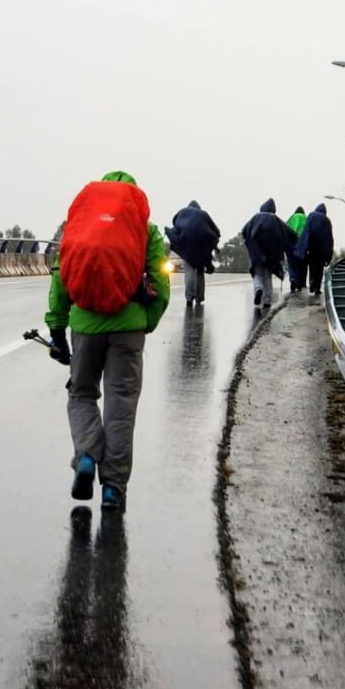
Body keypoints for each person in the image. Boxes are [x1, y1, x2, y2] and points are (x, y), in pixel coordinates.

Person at [46, 171, 170, 513]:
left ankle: (86, 454)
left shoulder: (82, 224)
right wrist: (147, 321)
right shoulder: (146, 229)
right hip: (128, 327)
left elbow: (62, 274)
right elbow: (160, 277)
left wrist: (57, 327)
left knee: (82, 393)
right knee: (121, 404)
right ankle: (113, 489)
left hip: (85, 324)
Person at [165, 200, 221, 307]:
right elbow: (214, 230)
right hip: (200, 248)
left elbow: (174, 222)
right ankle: (199, 298)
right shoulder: (203, 214)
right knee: (199, 272)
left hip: (187, 247)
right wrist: (215, 243)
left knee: (189, 272)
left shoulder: (182, 212)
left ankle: (189, 298)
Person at [240, 199, 292, 309]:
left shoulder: (256, 217)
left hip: (256, 251)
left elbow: (244, 230)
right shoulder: (276, 220)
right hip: (271, 253)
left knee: (257, 274)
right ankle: (267, 300)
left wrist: (248, 241)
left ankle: (258, 288)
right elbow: (289, 232)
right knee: (268, 275)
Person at [296, 202, 335, 297]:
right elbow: (329, 237)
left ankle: (312, 281)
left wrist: (303, 247)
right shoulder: (327, 220)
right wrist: (328, 255)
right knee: (319, 268)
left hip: (312, 247)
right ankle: (317, 287)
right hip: (322, 249)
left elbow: (306, 231)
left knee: (312, 266)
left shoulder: (311, 216)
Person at [285, 206, 308, 293]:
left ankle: (293, 279)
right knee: (302, 265)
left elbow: (285, 229)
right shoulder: (306, 218)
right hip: (302, 245)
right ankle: (300, 284)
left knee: (292, 265)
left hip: (291, 245)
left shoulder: (291, 218)